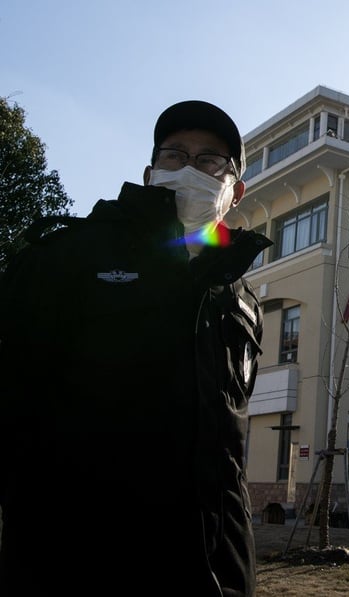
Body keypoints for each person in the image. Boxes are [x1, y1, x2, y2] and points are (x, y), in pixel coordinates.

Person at [0, 101, 272, 596]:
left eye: (211, 160)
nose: (190, 168)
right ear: (150, 173)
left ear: (236, 191)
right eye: (175, 155)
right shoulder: (67, 260)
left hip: (216, 571)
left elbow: (226, 452)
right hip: (80, 567)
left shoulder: (242, 302)